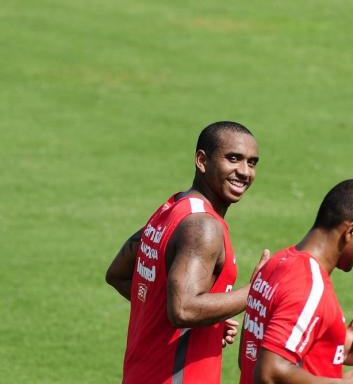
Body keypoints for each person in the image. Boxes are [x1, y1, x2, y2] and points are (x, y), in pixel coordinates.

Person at [106, 121, 269, 384]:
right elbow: (183, 309)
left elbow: (119, 274)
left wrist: (209, 320)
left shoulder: (171, 211)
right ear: (202, 160)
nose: (244, 172)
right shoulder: (203, 227)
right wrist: (257, 291)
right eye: (233, 159)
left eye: (252, 163)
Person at [239, 179, 353, 384]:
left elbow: (250, 357)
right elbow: (270, 371)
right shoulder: (309, 285)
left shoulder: (275, 264)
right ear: (351, 231)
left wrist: (333, 349)